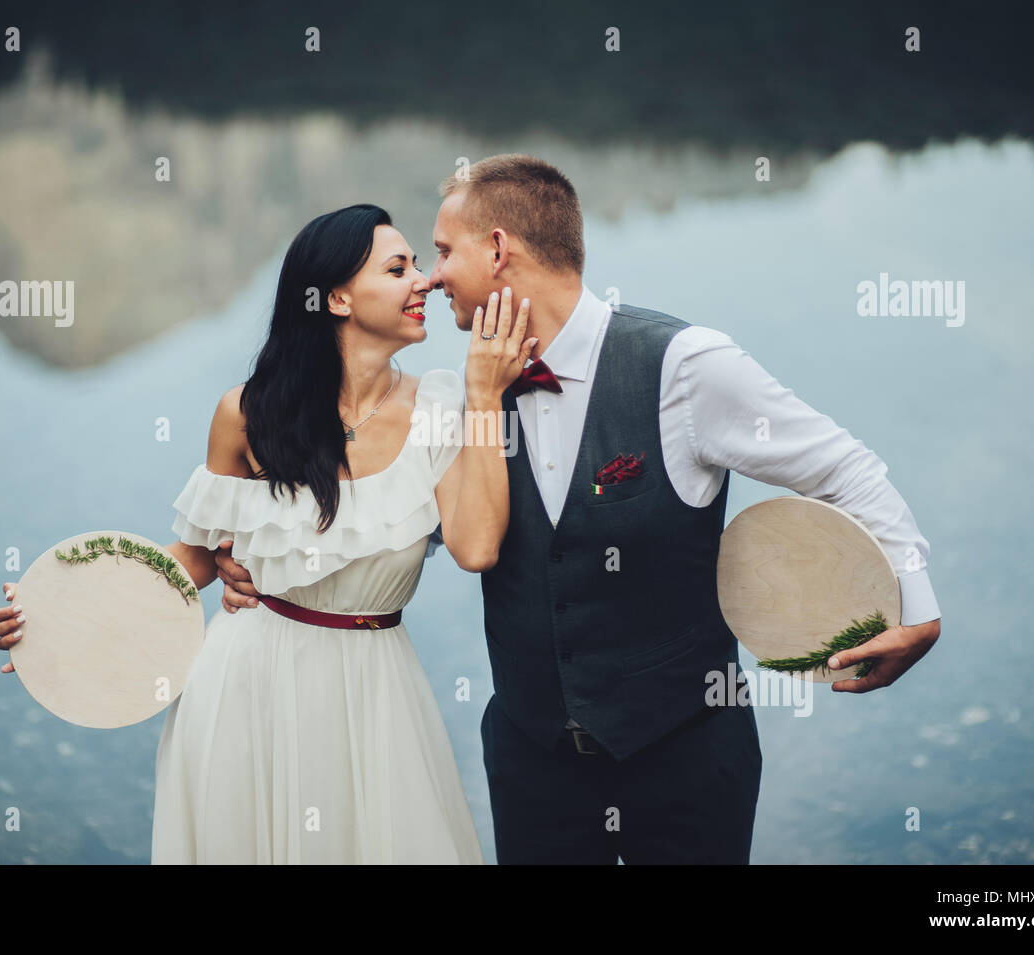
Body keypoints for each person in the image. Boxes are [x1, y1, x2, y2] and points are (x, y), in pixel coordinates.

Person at [218, 155, 944, 864]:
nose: (433, 277)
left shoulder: (684, 367)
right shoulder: (455, 398)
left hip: (689, 759)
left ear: (498, 250)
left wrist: (916, 603)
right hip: (532, 769)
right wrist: (256, 560)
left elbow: (843, 468)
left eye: (442, 252)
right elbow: (386, 524)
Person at [0, 203, 537, 863]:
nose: (423, 281)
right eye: (399, 268)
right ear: (337, 296)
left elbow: (477, 547)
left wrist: (484, 398)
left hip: (377, 688)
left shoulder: (445, 408)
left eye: (420, 266)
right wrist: (61, 607)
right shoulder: (246, 414)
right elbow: (190, 560)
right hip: (247, 684)